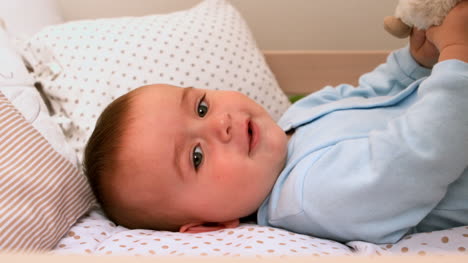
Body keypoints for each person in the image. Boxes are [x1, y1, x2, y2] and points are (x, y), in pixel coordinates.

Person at [83, 1, 468, 244]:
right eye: (196, 156)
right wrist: (457, 54)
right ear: (210, 226)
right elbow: (423, 153)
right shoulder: (312, 199)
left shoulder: (293, 120)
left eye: (201, 107)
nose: (222, 125)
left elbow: (375, 91)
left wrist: (415, 62)